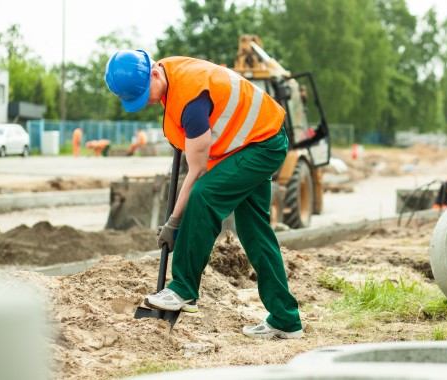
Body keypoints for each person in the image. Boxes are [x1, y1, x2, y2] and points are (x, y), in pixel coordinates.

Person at [104, 50, 303, 339]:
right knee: (255, 232)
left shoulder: (191, 98)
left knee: (204, 196)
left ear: (155, 73)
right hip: (251, 141)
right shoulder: (169, 73)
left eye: (145, 92)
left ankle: (183, 289)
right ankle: (286, 319)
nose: (146, 100)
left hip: (262, 145)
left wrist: (175, 222)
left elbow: (196, 171)